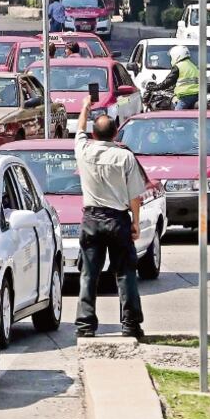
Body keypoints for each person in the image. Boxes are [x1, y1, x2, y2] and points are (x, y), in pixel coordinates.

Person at [74, 97, 147, 338]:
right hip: (117, 219)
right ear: (116, 134)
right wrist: (135, 222)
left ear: (94, 134)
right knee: (125, 273)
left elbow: (79, 130)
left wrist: (85, 107)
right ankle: (130, 324)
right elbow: (135, 195)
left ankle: (85, 325)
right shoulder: (125, 157)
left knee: (88, 274)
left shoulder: (84, 150)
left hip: (92, 219)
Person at [148, 44, 198, 110]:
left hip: (185, 96)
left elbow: (168, 81)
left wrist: (155, 87)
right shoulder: (193, 66)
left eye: (172, 57)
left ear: (176, 56)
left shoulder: (179, 66)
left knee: (176, 115)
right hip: (196, 95)